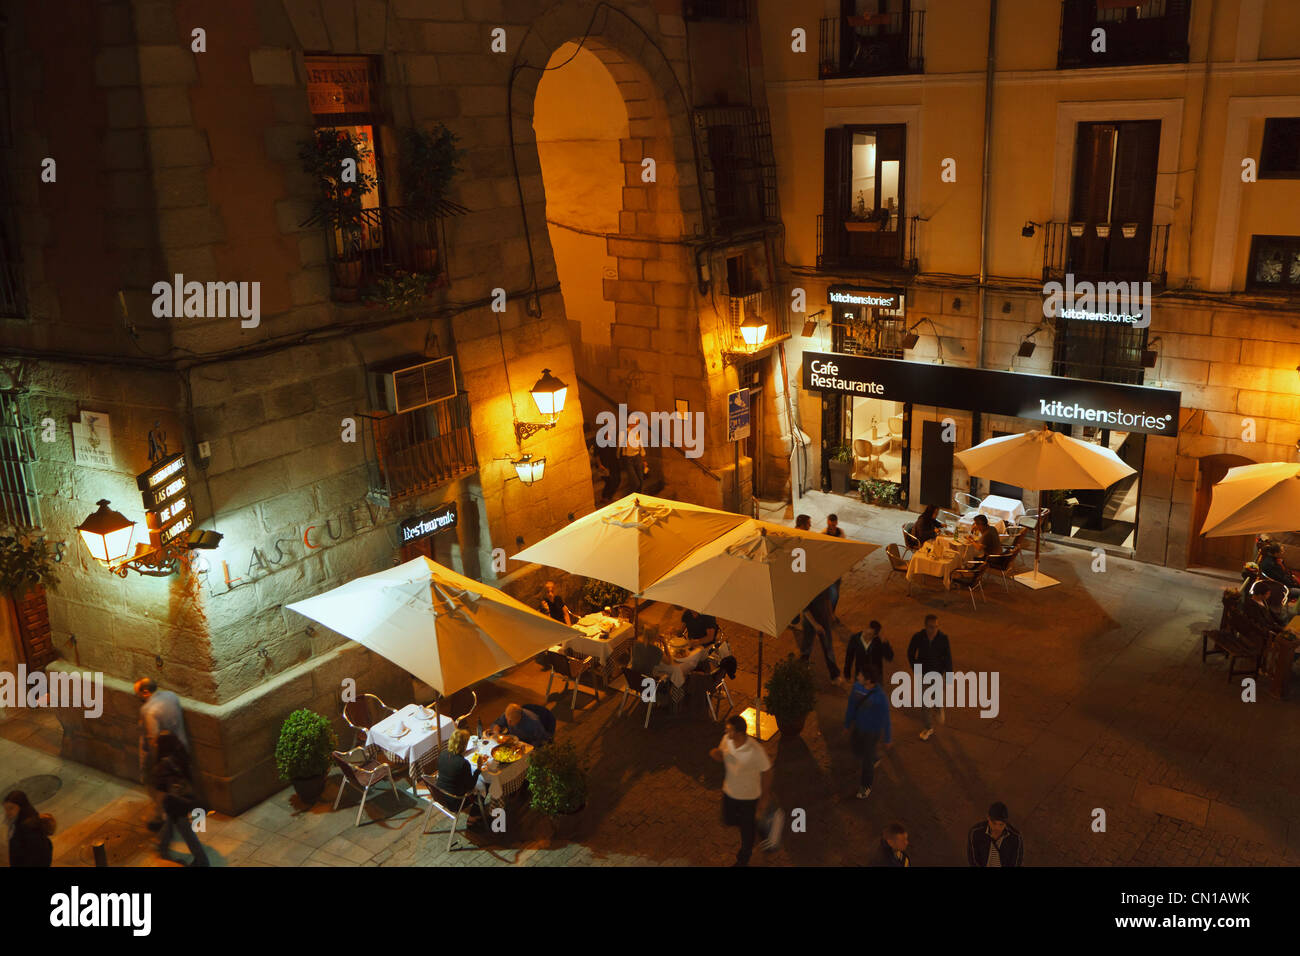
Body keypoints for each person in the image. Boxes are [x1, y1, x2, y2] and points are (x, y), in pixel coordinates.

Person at [709, 714, 773, 867]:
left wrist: (764, 798)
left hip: (748, 797)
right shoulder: (727, 740)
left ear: (739, 732)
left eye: (729, 729)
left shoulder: (755, 750)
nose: (726, 731)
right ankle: (754, 826)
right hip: (729, 792)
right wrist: (716, 755)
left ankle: (744, 857)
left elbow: (768, 771)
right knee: (728, 819)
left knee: (746, 831)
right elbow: (722, 755)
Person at [135, 677, 189, 831]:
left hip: (164, 759)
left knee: (158, 790)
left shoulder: (148, 711)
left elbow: (154, 741)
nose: (137, 697)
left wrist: (151, 765)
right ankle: (169, 821)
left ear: (145, 692)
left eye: (137, 694)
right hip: (181, 750)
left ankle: (162, 818)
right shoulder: (171, 696)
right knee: (176, 787)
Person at [151, 731, 209, 866]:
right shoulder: (180, 755)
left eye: (157, 743)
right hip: (182, 800)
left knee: (187, 833)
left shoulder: (165, 763)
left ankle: (202, 861)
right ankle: (162, 847)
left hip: (176, 804)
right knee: (170, 822)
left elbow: (160, 786)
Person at [844, 667, 891, 800]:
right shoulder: (857, 688)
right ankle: (874, 758)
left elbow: (886, 718)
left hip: (872, 733)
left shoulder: (880, 697)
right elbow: (851, 706)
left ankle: (866, 786)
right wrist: (848, 723)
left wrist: (887, 738)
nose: (857, 676)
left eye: (860, 674)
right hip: (858, 728)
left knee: (866, 761)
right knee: (856, 749)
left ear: (868, 680)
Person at [907, 614, 953, 741]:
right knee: (925, 703)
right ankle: (928, 727)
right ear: (925, 626)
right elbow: (910, 653)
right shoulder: (918, 637)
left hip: (937, 674)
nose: (934, 630)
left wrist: (948, 678)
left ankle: (938, 707)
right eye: (931, 627)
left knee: (936, 697)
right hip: (923, 674)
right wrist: (916, 669)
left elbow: (948, 658)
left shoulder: (943, 639)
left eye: (936, 627)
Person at [435, 729, 484, 827]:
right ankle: (473, 817)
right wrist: (478, 769)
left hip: (438, 794)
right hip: (455, 801)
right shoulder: (463, 763)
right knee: (482, 788)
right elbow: (470, 786)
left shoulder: (443, 754)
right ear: (464, 745)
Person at [797, 587, 840, 682]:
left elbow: (827, 599)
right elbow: (805, 609)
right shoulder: (806, 588)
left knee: (828, 647)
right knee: (807, 646)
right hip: (810, 622)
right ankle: (801, 670)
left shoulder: (823, 584)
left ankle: (834, 675)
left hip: (824, 619)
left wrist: (830, 613)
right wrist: (815, 625)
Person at [4, 790, 54, 867]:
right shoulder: (19, 823)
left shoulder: (30, 829)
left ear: (21, 807)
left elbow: (38, 857)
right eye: (6, 809)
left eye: (11, 808)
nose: (7, 813)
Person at [968, 801, 1024, 867]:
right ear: (988, 818)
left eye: (1001, 825)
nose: (997, 828)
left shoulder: (1015, 837)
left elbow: (1016, 863)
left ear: (1006, 823)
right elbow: (973, 861)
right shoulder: (976, 833)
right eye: (994, 823)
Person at [843, 621, 894, 686]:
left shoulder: (878, 642)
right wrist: (847, 673)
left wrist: (885, 643)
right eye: (865, 631)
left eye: (869, 634)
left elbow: (889, 657)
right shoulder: (855, 639)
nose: (865, 635)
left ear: (875, 635)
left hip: (875, 677)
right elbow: (849, 656)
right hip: (860, 676)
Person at [823, 514, 847, 618]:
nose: (832, 527)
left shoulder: (841, 533)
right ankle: (828, 613)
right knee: (831, 593)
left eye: (833, 524)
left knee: (835, 593)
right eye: (830, 525)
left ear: (836, 523)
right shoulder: (823, 534)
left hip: (837, 568)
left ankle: (831, 612)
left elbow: (844, 548)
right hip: (826, 568)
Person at [621, 418, 647, 495]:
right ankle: (631, 496)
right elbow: (622, 447)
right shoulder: (625, 433)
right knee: (635, 482)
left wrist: (644, 460)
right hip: (629, 458)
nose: (637, 425)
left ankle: (639, 497)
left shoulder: (637, 432)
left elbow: (640, 445)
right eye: (635, 423)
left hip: (637, 457)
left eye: (637, 423)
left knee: (641, 480)